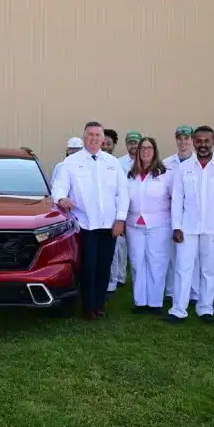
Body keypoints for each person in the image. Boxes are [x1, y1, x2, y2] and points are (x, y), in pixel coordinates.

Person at [52, 121, 129, 320]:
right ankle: (87, 307)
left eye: (97, 135)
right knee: (88, 266)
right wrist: (61, 198)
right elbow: (59, 187)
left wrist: (120, 220)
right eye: (90, 135)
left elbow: (123, 193)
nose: (94, 138)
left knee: (104, 266)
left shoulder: (112, 163)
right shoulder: (71, 162)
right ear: (84, 137)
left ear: (103, 139)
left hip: (108, 225)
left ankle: (99, 304)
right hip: (84, 225)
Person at [168, 126, 214, 323]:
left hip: (213, 228)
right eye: (199, 141)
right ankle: (178, 309)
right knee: (183, 268)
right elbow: (177, 200)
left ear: (213, 141)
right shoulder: (184, 167)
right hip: (187, 228)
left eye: (207, 141)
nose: (203, 145)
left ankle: (205, 308)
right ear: (193, 142)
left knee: (209, 269)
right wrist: (176, 226)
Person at [125, 137, 173, 314]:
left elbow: (174, 199)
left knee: (157, 263)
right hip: (134, 225)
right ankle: (140, 302)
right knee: (138, 262)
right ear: (138, 152)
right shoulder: (130, 175)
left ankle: (155, 302)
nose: (145, 151)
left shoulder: (165, 174)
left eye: (149, 148)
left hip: (159, 225)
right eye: (142, 148)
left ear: (155, 151)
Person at [162, 125, 198, 304]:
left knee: (193, 256)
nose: (183, 142)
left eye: (187, 138)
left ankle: (194, 292)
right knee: (172, 255)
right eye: (179, 138)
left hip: (193, 216)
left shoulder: (199, 162)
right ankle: (171, 291)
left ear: (192, 140)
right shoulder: (167, 163)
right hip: (170, 215)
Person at [109, 130, 141, 293]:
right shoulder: (118, 163)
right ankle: (117, 278)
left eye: (136, 142)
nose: (133, 145)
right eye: (130, 142)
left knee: (136, 249)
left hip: (140, 212)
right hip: (122, 210)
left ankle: (139, 283)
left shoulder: (148, 161)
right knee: (118, 247)